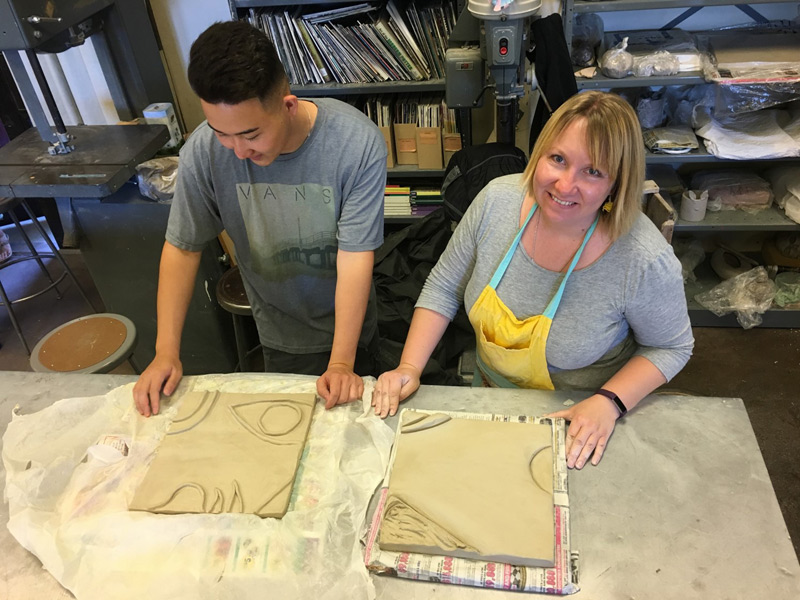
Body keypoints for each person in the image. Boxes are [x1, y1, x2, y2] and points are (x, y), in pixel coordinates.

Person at [373, 91, 693, 469]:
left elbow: (671, 347)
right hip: (490, 395)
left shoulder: (642, 258)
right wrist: (408, 368)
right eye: (557, 159)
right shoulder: (496, 202)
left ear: (616, 184)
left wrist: (610, 402)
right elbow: (443, 287)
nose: (564, 185)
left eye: (593, 171)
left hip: (581, 418)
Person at [133, 21, 387, 416]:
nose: (237, 151)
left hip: (351, 329)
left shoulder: (356, 144)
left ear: (287, 105)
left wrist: (341, 362)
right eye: (222, 133)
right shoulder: (203, 150)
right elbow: (182, 248)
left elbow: (355, 257)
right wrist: (166, 351)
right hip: (278, 329)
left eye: (251, 135)